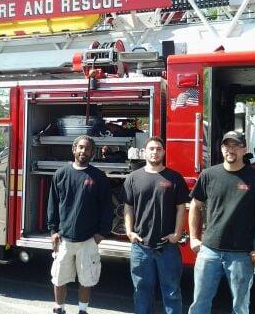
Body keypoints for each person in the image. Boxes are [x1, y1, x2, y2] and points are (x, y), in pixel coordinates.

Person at [188, 131, 255, 314]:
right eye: (227, 146)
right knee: (199, 304)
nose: (231, 150)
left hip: (240, 255)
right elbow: (194, 206)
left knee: (240, 307)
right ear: (222, 149)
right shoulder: (208, 175)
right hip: (209, 252)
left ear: (244, 149)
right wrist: (193, 238)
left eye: (236, 146)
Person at [122, 136, 190, 314]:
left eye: (158, 149)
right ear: (145, 152)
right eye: (151, 149)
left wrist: (176, 234)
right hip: (141, 247)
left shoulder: (175, 178)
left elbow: (181, 209)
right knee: (142, 292)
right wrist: (129, 231)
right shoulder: (133, 178)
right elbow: (128, 208)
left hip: (167, 247)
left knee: (172, 293)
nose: (155, 152)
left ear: (164, 152)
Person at [47, 135, 113, 314]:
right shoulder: (61, 174)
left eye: (88, 148)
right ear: (74, 149)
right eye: (81, 147)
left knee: (87, 279)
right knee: (59, 278)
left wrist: (101, 233)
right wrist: (53, 230)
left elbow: (107, 207)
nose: (84, 151)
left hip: (88, 239)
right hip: (64, 239)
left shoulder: (98, 176)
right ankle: (59, 308)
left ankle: (83, 310)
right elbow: (53, 203)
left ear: (93, 152)